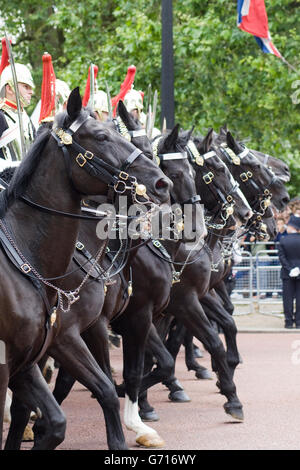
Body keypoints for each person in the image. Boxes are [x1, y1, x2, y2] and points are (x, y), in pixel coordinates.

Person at [0, 63, 35, 166]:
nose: (31, 92)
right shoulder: (1, 116)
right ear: (10, 89)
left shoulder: (25, 118)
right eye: (26, 87)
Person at [278, 215, 300, 328]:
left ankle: (288, 322)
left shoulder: (283, 240)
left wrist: (290, 269)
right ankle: (299, 322)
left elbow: (282, 258)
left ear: (292, 227)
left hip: (287, 274)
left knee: (287, 299)